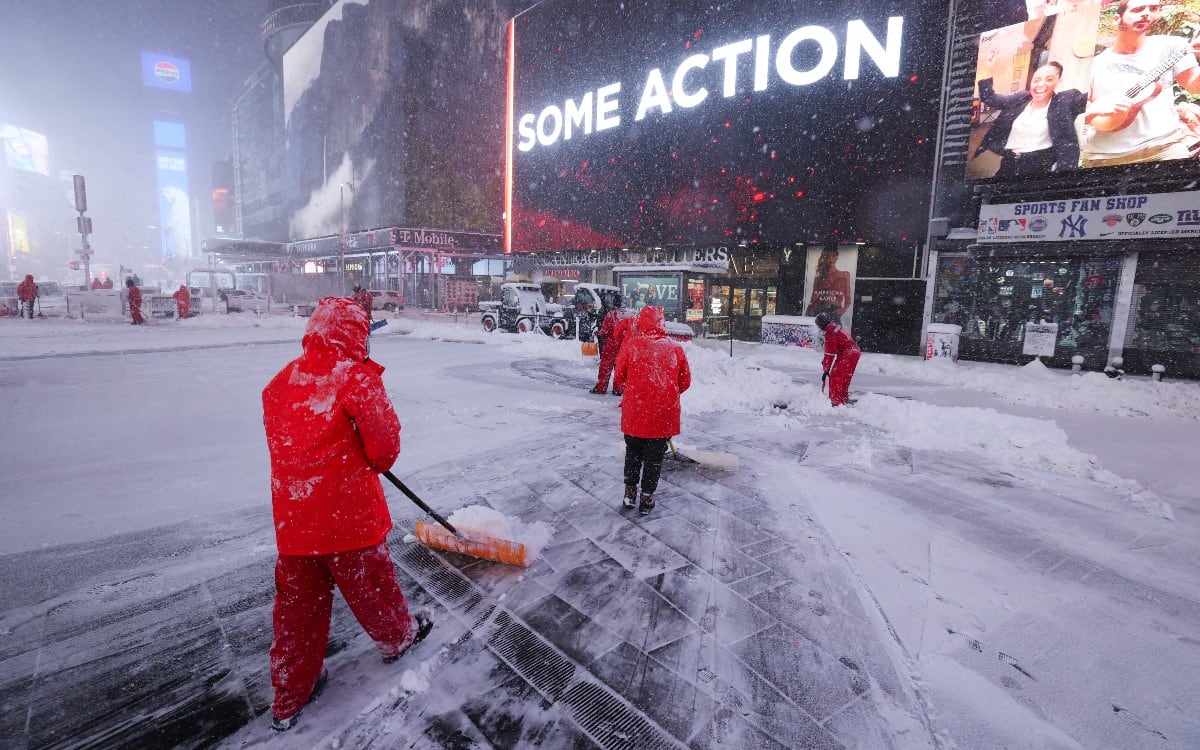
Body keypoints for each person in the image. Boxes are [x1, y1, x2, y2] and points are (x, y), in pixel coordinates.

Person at [261, 296, 432, 732]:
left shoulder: (279, 384)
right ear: (353, 335)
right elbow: (385, 452)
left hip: (295, 526)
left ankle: (289, 697)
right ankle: (398, 639)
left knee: (297, 615)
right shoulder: (356, 379)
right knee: (373, 592)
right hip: (348, 523)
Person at [1082, 1, 1200, 167]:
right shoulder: (1093, 65)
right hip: (1104, 156)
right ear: (1117, 19)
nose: (1146, 13)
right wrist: (1096, 110)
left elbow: (1195, 86)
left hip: (1165, 147)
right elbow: (1079, 114)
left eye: (1153, 9)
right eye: (1138, 9)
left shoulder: (1173, 46)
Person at [614, 305, 691, 515]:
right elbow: (685, 381)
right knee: (654, 458)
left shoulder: (632, 346)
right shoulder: (675, 349)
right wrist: (665, 394)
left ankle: (630, 492)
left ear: (641, 323)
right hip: (662, 416)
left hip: (635, 415)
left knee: (633, 453)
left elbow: (619, 377)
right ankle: (647, 497)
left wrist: (636, 390)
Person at [975, 62, 1088, 176]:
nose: (1040, 84)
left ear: (1058, 82)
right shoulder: (1022, 98)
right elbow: (989, 98)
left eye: (1049, 79)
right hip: (1009, 162)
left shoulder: (1062, 102)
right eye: (1036, 80)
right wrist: (989, 68)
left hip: (1037, 167)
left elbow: (1088, 100)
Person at [591, 294, 634, 394]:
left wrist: (598, 333)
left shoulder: (611, 315)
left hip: (611, 345)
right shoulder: (631, 316)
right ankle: (618, 389)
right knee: (620, 368)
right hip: (624, 346)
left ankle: (601, 387)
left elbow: (604, 331)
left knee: (605, 367)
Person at [815, 312, 860, 407]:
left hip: (848, 353)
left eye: (818, 325)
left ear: (822, 324)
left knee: (836, 377)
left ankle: (835, 401)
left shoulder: (830, 331)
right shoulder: (834, 326)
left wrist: (826, 369)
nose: (819, 328)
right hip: (854, 351)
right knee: (845, 377)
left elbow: (829, 353)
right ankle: (843, 397)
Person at [804, 247, 852, 318]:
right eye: (827, 256)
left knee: (835, 328)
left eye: (833, 256)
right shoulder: (818, 278)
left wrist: (843, 309)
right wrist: (808, 311)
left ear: (837, 257)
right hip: (819, 309)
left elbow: (848, 299)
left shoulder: (845, 275)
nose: (830, 259)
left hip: (834, 310)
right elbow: (813, 298)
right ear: (824, 259)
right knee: (817, 328)